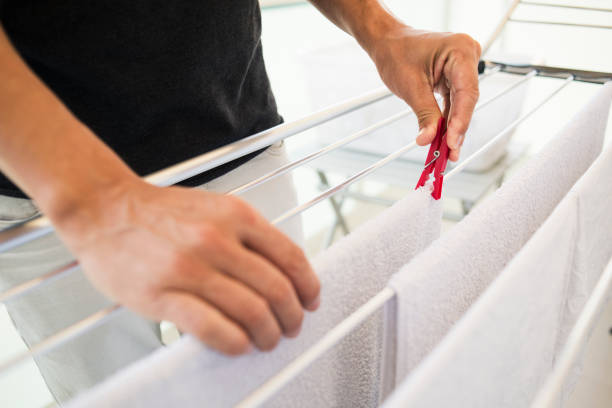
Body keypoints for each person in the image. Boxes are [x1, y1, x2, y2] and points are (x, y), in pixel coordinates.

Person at [0, 0, 481, 403]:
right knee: (113, 394)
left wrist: (382, 30)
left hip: (238, 140)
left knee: (280, 380)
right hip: (45, 186)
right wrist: (91, 197)